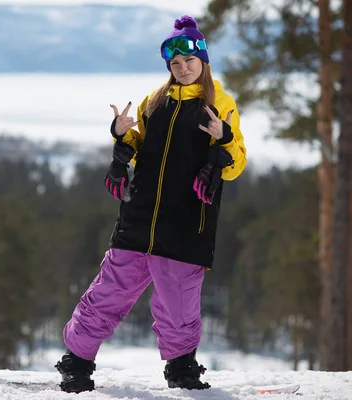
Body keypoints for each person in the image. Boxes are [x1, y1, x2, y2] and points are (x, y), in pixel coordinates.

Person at [54, 15, 247, 393]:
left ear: (203, 61)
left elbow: (236, 163)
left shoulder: (219, 103)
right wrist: (121, 142)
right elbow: (143, 149)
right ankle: (76, 363)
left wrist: (223, 143)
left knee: (177, 305)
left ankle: (182, 371)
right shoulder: (153, 102)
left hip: (185, 221)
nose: (183, 68)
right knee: (106, 293)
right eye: (175, 63)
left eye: (190, 61)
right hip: (138, 218)